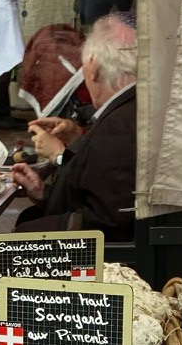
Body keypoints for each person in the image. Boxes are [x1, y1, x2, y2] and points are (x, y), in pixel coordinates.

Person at [9, 14, 136, 235]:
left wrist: (59, 156)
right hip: (105, 236)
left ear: (93, 66)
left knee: (11, 238)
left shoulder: (118, 127)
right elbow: (97, 186)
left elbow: (107, 221)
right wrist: (43, 193)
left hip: (105, 254)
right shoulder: (126, 110)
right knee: (27, 219)